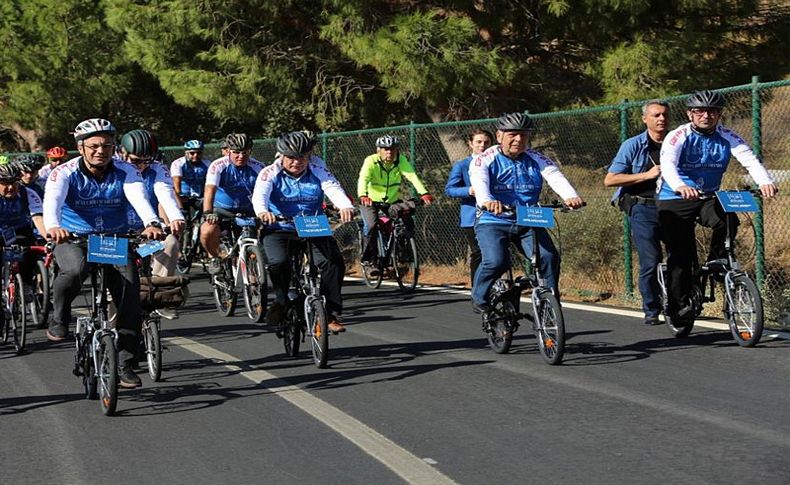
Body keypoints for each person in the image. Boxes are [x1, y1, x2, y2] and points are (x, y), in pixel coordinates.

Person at [43, 118, 164, 388]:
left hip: (114, 239)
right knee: (73, 270)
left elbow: (138, 197)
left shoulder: (126, 170)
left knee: (130, 297)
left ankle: (126, 364)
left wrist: (151, 223)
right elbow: (52, 200)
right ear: (81, 148)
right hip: (74, 237)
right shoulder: (63, 173)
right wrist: (53, 226)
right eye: (94, 146)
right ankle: (59, 317)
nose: (101, 151)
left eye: (107, 145)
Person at [656, 90, 777, 323]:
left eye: (712, 111)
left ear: (719, 114)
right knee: (681, 254)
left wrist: (765, 182)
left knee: (728, 218)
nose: (706, 115)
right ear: (690, 114)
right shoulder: (678, 135)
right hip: (675, 198)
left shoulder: (727, 135)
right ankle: (678, 306)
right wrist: (681, 185)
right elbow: (668, 164)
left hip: (707, 196)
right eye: (700, 111)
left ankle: (717, 259)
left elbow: (748, 158)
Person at [469, 112, 583, 314]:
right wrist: (487, 201)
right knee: (496, 261)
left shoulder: (535, 157)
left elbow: (553, 175)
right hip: (492, 219)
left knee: (548, 256)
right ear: (499, 136)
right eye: (513, 134)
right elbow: (479, 180)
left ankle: (550, 301)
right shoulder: (484, 159)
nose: (519, 140)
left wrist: (570, 196)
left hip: (527, 217)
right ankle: (479, 296)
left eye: (524, 135)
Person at [253, 131, 355, 333]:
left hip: (312, 226)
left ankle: (331, 313)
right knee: (278, 263)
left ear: (309, 156)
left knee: (333, 262)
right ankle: (281, 300)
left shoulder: (318, 169)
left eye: (302, 157)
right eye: (291, 157)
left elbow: (332, 187)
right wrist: (263, 212)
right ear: (281, 155)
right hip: (279, 228)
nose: (297, 162)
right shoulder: (269, 172)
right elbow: (260, 195)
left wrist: (344, 206)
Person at [604, 100, 669, 326]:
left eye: (664, 115)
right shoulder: (633, 145)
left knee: (682, 257)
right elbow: (610, 179)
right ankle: (652, 308)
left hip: (673, 206)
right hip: (642, 206)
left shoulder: (677, 142)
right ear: (645, 119)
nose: (661, 119)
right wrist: (646, 175)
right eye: (656, 115)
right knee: (651, 260)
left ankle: (681, 302)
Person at [357, 135, 434, 277]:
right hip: (370, 201)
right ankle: (368, 261)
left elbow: (411, 176)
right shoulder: (371, 161)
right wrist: (363, 195)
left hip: (391, 200)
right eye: (386, 149)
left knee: (405, 220)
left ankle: (401, 252)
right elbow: (364, 178)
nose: (389, 152)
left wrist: (424, 193)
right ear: (378, 150)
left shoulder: (400, 160)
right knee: (372, 225)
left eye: (393, 149)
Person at [119, 129, 185, 286]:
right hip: (117, 233)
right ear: (122, 153)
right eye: (136, 161)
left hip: (147, 235)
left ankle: (158, 288)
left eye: (147, 161)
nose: (141, 166)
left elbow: (165, 193)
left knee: (170, 243)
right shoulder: (113, 168)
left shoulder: (157, 169)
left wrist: (176, 217)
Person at [200, 133, 265, 274]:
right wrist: (207, 212)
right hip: (221, 209)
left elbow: (267, 191)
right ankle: (214, 257)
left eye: (245, 152)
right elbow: (210, 189)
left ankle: (254, 282)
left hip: (247, 210)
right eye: (236, 152)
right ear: (228, 151)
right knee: (207, 231)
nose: (241, 156)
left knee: (254, 245)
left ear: (250, 152)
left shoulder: (258, 167)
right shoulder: (217, 165)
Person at [445, 129, 493, 287]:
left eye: (486, 142)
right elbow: (450, 189)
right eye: (479, 142)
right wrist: (469, 190)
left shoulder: (496, 163)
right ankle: (477, 288)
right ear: (470, 144)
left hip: (496, 215)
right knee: (479, 252)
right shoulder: (462, 165)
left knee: (497, 252)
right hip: (472, 217)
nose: (482, 145)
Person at [0, 163, 47, 302]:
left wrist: (49, 238)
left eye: (14, 183)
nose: (10, 188)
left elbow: (38, 217)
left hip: (20, 229)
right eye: (5, 183)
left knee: (30, 251)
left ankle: (26, 284)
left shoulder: (27, 193)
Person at [171, 139, 211, 213]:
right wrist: (180, 197)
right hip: (183, 196)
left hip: (200, 197)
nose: (195, 155)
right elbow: (176, 182)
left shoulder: (207, 164)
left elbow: (211, 183)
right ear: (186, 153)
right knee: (183, 215)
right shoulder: (178, 163)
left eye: (198, 153)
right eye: (192, 153)